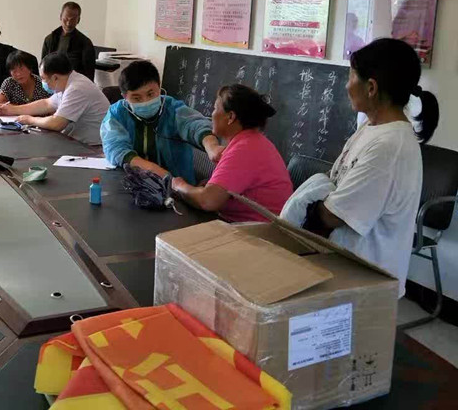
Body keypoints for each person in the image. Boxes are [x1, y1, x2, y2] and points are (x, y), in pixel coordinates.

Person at [282, 38, 439, 298]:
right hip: (344, 275)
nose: (347, 86)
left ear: (371, 87)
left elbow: (333, 215)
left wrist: (307, 203)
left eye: (350, 76)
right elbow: (335, 181)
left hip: (365, 287)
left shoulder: (389, 147)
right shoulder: (371, 128)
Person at [172, 84, 292, 222]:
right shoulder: (251, 141)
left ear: (230, 117)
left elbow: (208, 201)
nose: (212, 114)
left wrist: (179, 185)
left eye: (215, 108)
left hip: (259, 231)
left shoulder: (245, 149)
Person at [101, 60, 224, 185]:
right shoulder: (117, 114)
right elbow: (115, 148)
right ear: (124, 97)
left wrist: (212, 146)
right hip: (134, 182)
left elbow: (195, 125)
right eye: (136, 98)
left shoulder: (173, 109)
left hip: (181, 186)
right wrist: (156, 171)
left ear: (159, 88)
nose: (145, 101)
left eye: (150, 94)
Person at [0, 52, 109, 145]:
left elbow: (57, 123)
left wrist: (30, 120)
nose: (43, 82)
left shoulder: (76, 88)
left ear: (55, 77)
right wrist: (12, 110)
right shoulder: (67, 82)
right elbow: (46, 104)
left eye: (43, 78)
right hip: (77, 141)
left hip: (93, 146)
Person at [41, 1, 96, 81]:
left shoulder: (85, 43)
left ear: (78, 20)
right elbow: (43, 67)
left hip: (75, 84)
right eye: (66, 19)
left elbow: (89, 76)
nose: (68, 23)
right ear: (60, 17)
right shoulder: (50, 39)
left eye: (72, 20)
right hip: (51, 83)